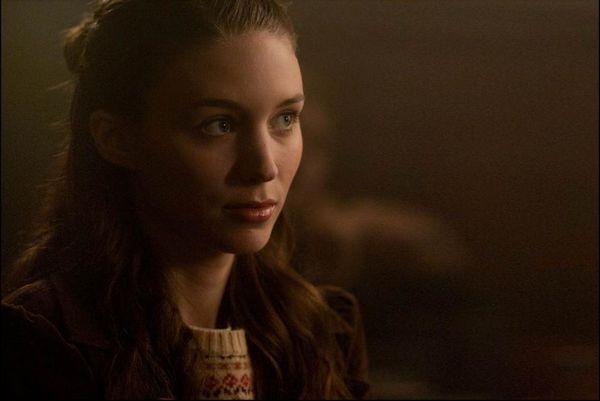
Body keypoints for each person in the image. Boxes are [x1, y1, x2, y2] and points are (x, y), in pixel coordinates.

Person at [1, 1, 369, 399]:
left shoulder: (323, 336)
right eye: (219, 125)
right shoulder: (40, 344)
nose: (264, 167)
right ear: (116, 139)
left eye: (285, 119)